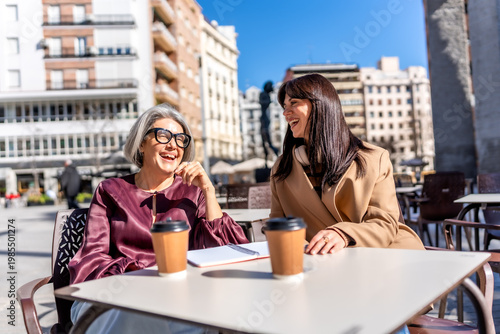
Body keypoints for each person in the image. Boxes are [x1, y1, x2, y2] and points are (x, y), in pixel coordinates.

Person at [68, 103, 248, 333]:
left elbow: (226, 252)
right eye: (163, 135)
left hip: (177, 296)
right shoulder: (110, 190)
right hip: (112, 291)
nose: (173, 144)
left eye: (181, 139)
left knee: (202, 316)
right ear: (141, 143)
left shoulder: (194, 193)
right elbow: (93, 255)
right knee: (139, 311)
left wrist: (208, 191)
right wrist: (139, 274)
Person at [270, 73, 425, 255]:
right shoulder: (282, 169)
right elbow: (278, 226)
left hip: (385, 255)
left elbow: (385, 224)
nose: (285, 113)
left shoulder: (374, 158)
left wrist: (343, 234)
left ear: (320, 105)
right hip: (322, 264)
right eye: (285, 106)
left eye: (294, 103)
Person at [259, 81, 279, 165]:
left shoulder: (266, 95)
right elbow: (263, 103)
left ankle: (273, 153)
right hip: (264, 119)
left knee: (266, 138)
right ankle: (269, 157)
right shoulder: (263, 94)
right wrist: (270, 102)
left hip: (265, 119)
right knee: (264, 138)